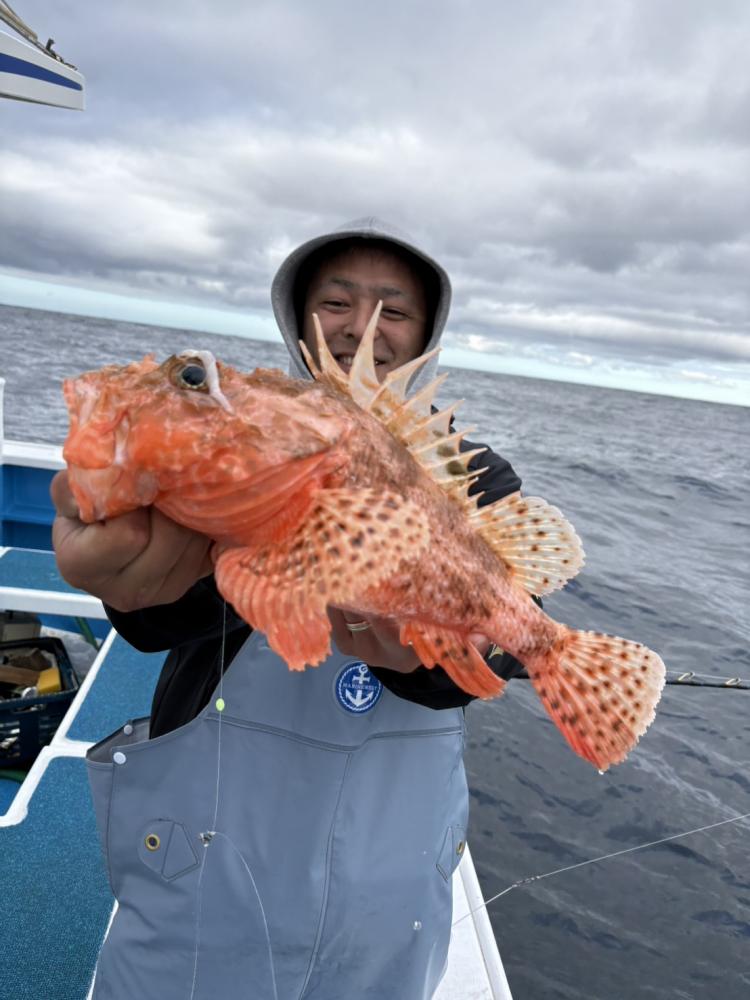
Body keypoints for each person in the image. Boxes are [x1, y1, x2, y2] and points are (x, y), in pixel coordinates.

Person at [52, 218, 525, 1000]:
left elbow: (502, 643)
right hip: (206, 846)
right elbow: (153, 621)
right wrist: (134, 577)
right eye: (337, 302)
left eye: (394, 309)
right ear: (299, 319)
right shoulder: (238, 429)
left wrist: (428, 656)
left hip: (389, 871)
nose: (362, 326)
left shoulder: (474, 473)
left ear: (426, 334)